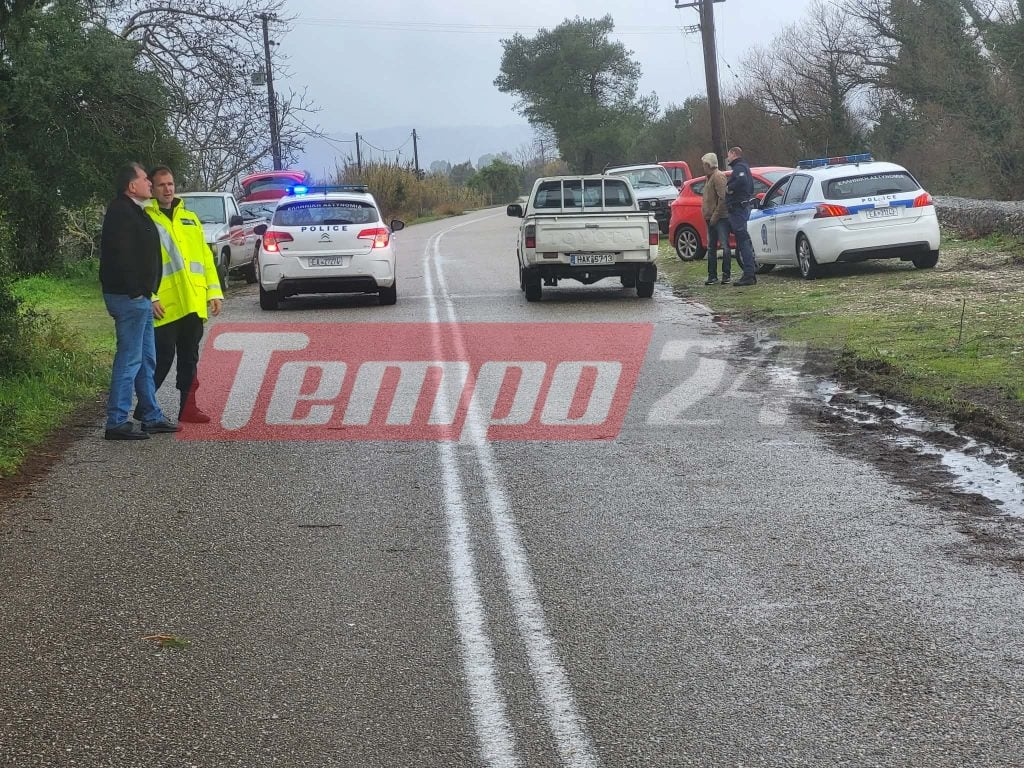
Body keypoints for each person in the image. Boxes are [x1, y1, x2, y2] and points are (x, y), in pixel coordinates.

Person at [98, 163, 179, 440]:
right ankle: (116, 421)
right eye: (145, 179)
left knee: (146, 359)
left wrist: (145, 291)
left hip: (139, 297)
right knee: (130, 358)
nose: (149, 183)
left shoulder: (135, 211)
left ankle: (151, 415)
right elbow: (121, 256)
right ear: (132, 186)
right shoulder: (121, 212)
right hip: (128, 298)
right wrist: (135, 291)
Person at [141, 165, 223, 423]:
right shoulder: (146, 219)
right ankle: (146, 408)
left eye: (171, 184)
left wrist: (214, 292)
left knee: (190, 358)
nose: (167, 189)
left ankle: (188, 408)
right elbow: (140, 263)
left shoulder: (190, 218)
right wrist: (149, 295)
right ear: (152, 189)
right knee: (161, 359)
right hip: (164, 304)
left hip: (192, 302)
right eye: (162, 185)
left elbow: (205, 260)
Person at [725, 146, 758, 287]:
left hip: (738, 209)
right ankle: (749, 273)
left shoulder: (739, 168)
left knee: (743, 241)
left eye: (729, 155)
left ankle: (749, 274)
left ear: (734, 154)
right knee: (742, 241)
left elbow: (742, 182)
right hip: (742, 207)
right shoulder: (744, 167)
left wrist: (729, 189)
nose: (728, 158)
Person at [700, 152, 731, 285]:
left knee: (725, 246)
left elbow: (723, 198)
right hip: (710, 218)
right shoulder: (709, 177)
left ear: (708, 164)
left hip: (720, 218)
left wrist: (715, 216)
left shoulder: (718, 177)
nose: (703, 167)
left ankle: (726, 274)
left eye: (704, 164)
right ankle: (712, 275)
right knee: (711, 247)